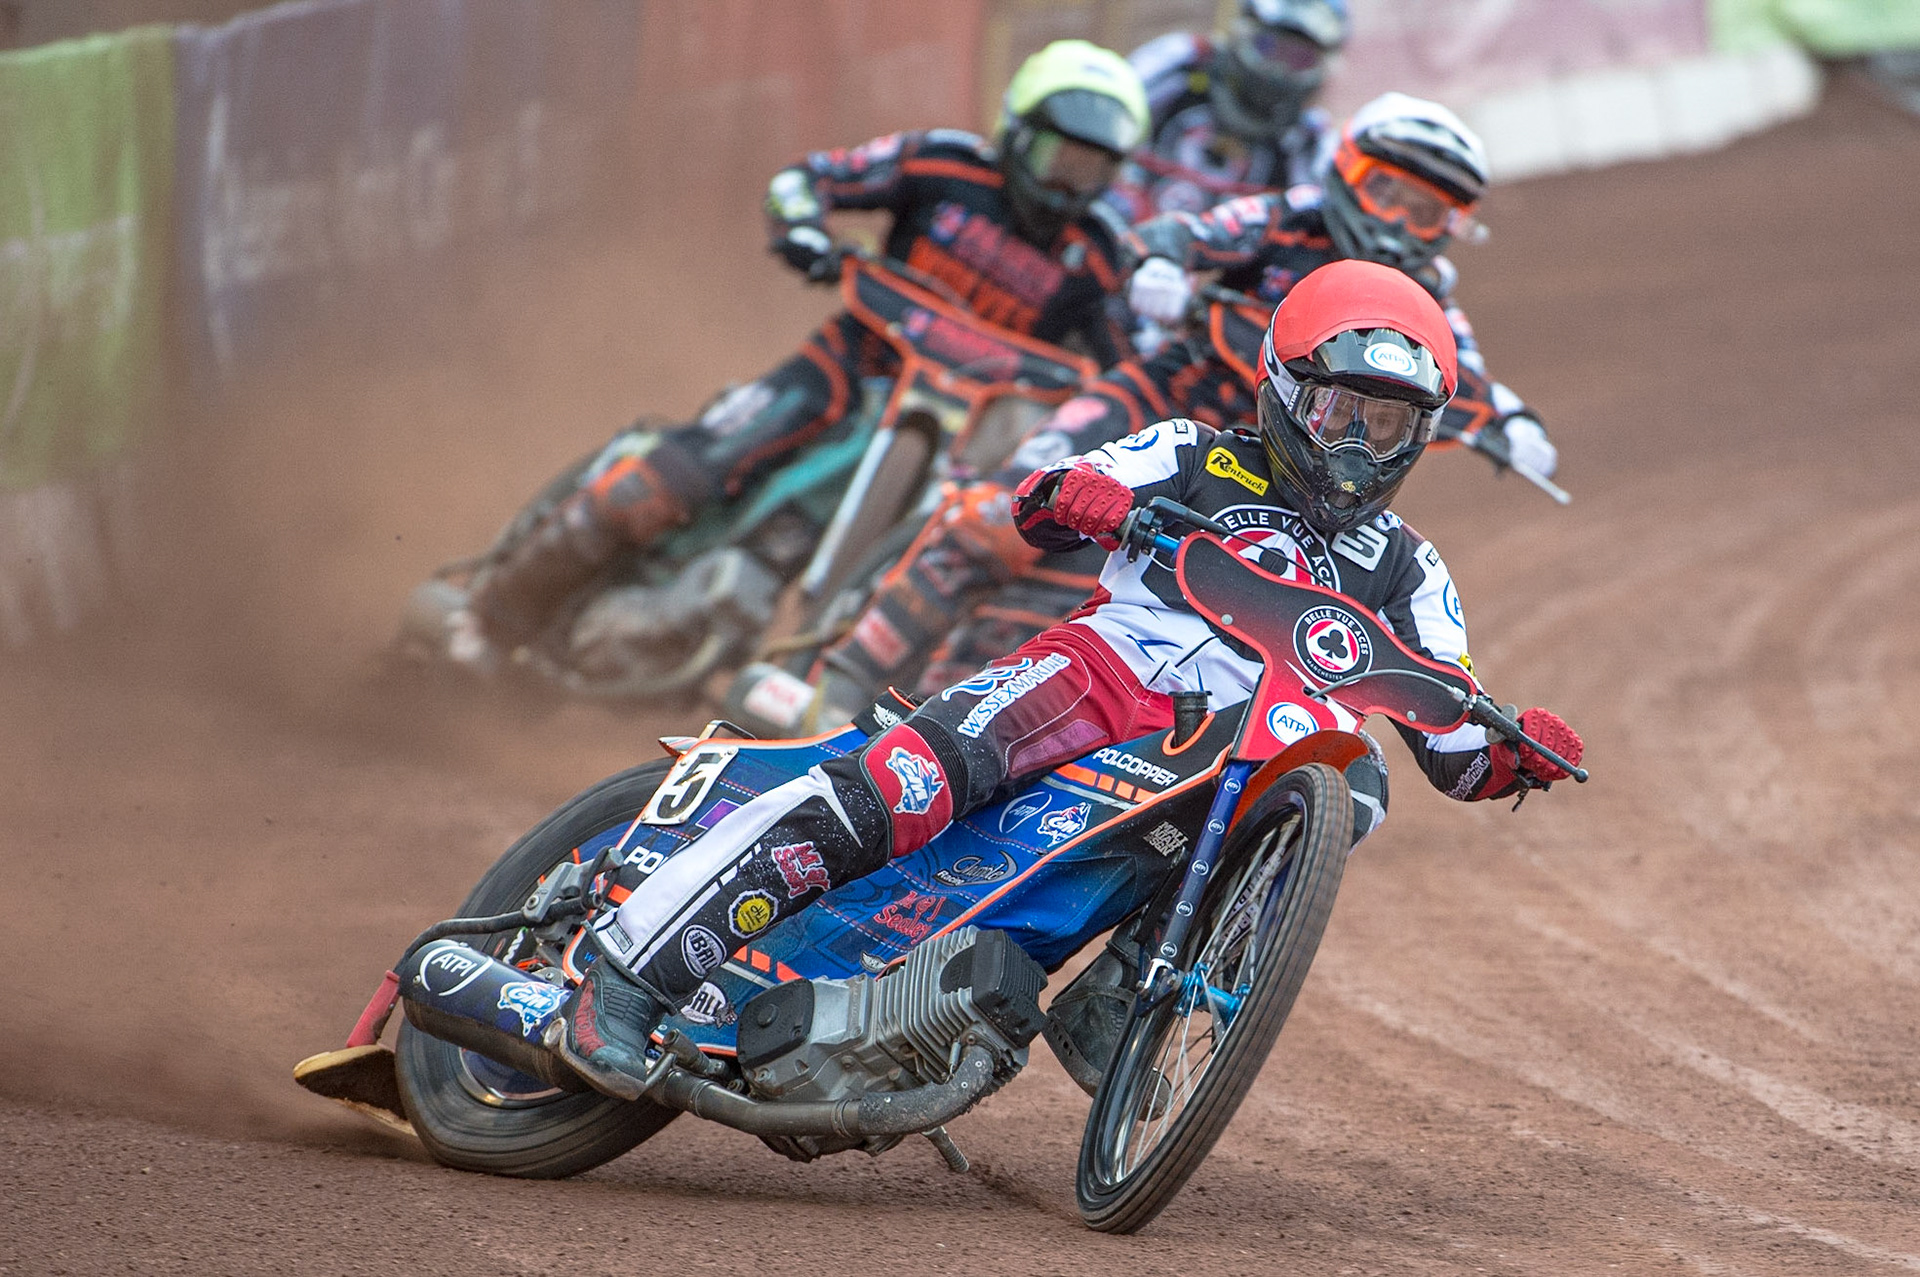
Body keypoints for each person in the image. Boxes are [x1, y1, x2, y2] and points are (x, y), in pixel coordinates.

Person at [552, 259, 1585, 1100]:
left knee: (1356, 779)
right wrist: (1084, 492)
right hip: (1097, 672)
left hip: (1226, 753)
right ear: (1282, 389)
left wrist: (1512, 752)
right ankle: (632, 974)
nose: (1360, 444)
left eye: (1390, 424)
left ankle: (1139, 981)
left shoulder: (1414, 568)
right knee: (909, 780)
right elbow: (1044, 498)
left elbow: (1451, 733)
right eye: (1341, 411)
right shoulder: (1193, 450)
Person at [782, 91, 1555, 727]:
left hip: (1258, 476)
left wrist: (1515, 423)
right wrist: (1159, 261)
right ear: (1348, 174)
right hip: (1153, 401)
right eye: (1387, 191)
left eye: (1424, 211)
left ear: (1451, 228)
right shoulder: (1287, 218)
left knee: (1069, 595)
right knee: (995, 517)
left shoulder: (1432, 303)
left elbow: (1467, 377)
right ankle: (829, 676)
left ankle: (944, 714)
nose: (1394, 221)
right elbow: (1182, 230)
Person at [443, 40, 1150, 669]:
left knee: (964, 545)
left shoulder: (1097, 257)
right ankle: (489, 612)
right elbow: (807, 179)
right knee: (670, 478)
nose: (1067, 186)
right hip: (842, 370)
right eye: (1059, 159)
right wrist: (805, 231)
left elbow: (1131, 369)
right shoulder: (943, 164)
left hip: (962, 426)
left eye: (1090, 173)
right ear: (1018, 133)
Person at [1109, 0, 1351, 221]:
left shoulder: (1309, 140)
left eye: (1301, 59)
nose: (1278, 70)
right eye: (1267, 47)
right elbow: (1103, 113)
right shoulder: (1182, 63)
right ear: (1242, 32)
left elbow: (1315, 222)